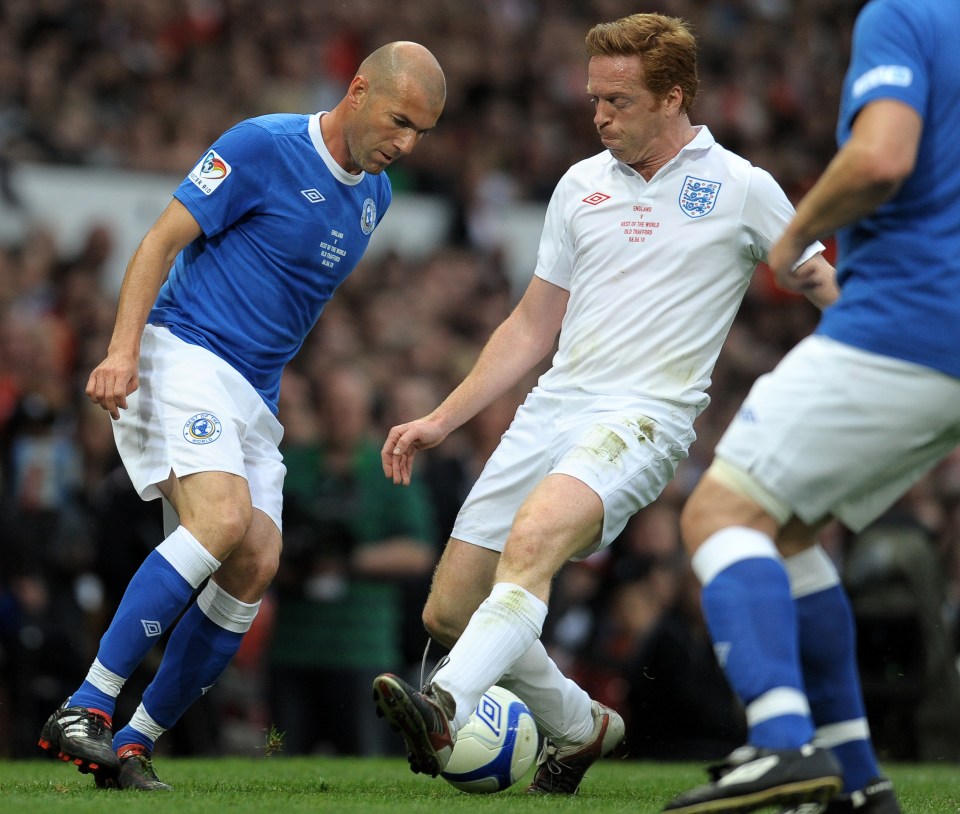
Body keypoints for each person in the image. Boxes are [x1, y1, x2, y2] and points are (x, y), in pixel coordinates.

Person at [370, 13, 836, 796]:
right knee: (448, 614)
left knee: (535, 542)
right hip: (552, 408)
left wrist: (879, 350)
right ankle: (581, 726)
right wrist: (441, 419)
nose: (599, 116)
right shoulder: (580, 185)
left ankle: (451, 700)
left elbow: (815, 275)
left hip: (643, 420)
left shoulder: (741, 186)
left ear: (672, 98)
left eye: (617, 101)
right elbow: (530, 324)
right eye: (594, 99)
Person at [36, 41, 445, 790]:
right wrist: (122, 351)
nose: (407, 143)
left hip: (254, 395)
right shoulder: (261, 145)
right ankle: (85, 705)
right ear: (356, 91)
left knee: (256, 561)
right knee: (220, 521)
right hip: (184, 351)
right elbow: (159, 242)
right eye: (398, 121)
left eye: (422, 131)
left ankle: (133, 742)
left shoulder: (374, 197)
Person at [664, 0, 960, 811]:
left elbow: (881, 159)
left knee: (721, 511)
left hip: (912, 320)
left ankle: (780, 741)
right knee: (788, 529)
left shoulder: (906, 14)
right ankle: (858, 782)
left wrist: (798, 231)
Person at [267, 366, 437, 755]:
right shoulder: (288, 467)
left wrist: (347, 559)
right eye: (332, 407)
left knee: (364, 762)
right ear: (319, 411)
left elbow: (418, 551)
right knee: (278, 765)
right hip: (295, 644)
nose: (340, 417)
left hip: (364, 646)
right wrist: (293, 561)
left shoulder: (387, 468)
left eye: (349, 407)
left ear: (366, 412)